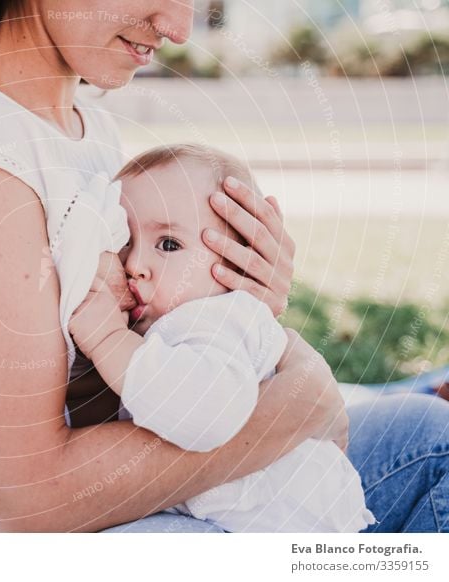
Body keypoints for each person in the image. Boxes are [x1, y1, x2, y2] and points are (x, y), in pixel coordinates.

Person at [0, 0, 449, 532]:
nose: (179, 25)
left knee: (427, 439)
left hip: (122, 510)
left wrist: (232, 305)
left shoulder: (82, 132)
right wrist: (289, 409)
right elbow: (25, 499)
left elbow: (101, 390)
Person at [68, 144, 376, 532]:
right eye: (125, 242)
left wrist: (106, 337)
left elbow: (201, 414)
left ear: (236, 263)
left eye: (168, 244)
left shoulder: (213, 322)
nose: (134, 265)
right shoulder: (178, 322)